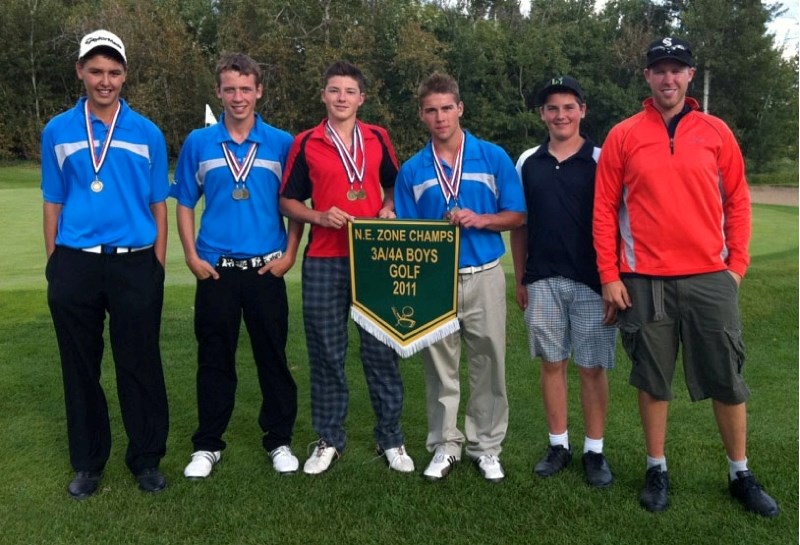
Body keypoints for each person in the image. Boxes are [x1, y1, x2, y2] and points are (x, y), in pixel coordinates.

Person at [594, 37, 779, 516]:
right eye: (660, 70)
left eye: (677, 70)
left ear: (690, 76)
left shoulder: (716, 132)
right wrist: (609, 275)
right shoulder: (624, 134)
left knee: (727, 378)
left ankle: (740, 472)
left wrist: (736, 266)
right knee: (653, 381)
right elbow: (604, 209)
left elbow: (738, 201)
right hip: (643, 279)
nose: (668, 78)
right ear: (647, 77)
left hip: (709, 278)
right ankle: (657, 468)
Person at [41, 29, 169, 499]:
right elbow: (53, 201)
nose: (105, 80)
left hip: (135, 263)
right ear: (80, 72)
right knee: (80, 367)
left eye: (114, 72)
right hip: (76, 263)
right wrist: (55, 263)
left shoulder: (147, 132)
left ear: (124, 75)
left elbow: (159, 204)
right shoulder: (57, 130)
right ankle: (89, 462)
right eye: (95, 71)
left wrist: (156, 265)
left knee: (140, 364)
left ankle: (146, 459)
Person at [170, 53, 301, 478]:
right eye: (230, 89)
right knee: (214, 359)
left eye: (246, 88)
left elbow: (296, 205)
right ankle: (208, 445)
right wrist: (191, 255)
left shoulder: (282, 142)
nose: (238, 97)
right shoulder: (198, 142)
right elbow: (186, 203)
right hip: (216, 270)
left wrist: (290, 253)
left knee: (272, 358)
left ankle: (279, 440)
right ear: (219, 92)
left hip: (267, 269)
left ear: (259, 91)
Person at [279, 61, 413, 475]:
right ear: (323, 95)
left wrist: (389, 207)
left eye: (349, 91)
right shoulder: (306, 142)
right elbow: (287, 201)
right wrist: (319, 217)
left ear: (361, 98)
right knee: (326, 353)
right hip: (323, 259)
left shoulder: (377, 138)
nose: (341, 97)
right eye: (333, 90)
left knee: (381, 349)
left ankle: (390, 437)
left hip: (373, 256)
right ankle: (329, 438)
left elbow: (394, 184)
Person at [394, 72, 525, 483]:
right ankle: (445, 444)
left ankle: (485, 446)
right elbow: (408, 232)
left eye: (446, 108)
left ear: (460, 108)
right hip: (436, 278)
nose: (440, 117)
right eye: (431, 110)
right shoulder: (413, 170)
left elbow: (517, 215)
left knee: (490, 361)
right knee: (440, 366)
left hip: (484, 273)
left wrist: (482, 219)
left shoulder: (493, 157)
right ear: (422, 115)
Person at [511, 76, 618, 488]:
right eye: (552, 108)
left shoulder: (602, 157)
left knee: (592, 367)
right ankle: (558, 444)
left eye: (569, 107)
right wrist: (521, 277)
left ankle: (594, 450)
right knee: (552, 363)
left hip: (593, 281)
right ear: (542, 114)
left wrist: (614, 279)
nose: (561, 115)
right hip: (542, 280)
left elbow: (616, 222)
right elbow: (520, 225)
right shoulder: (527, 161)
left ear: (582, 111)